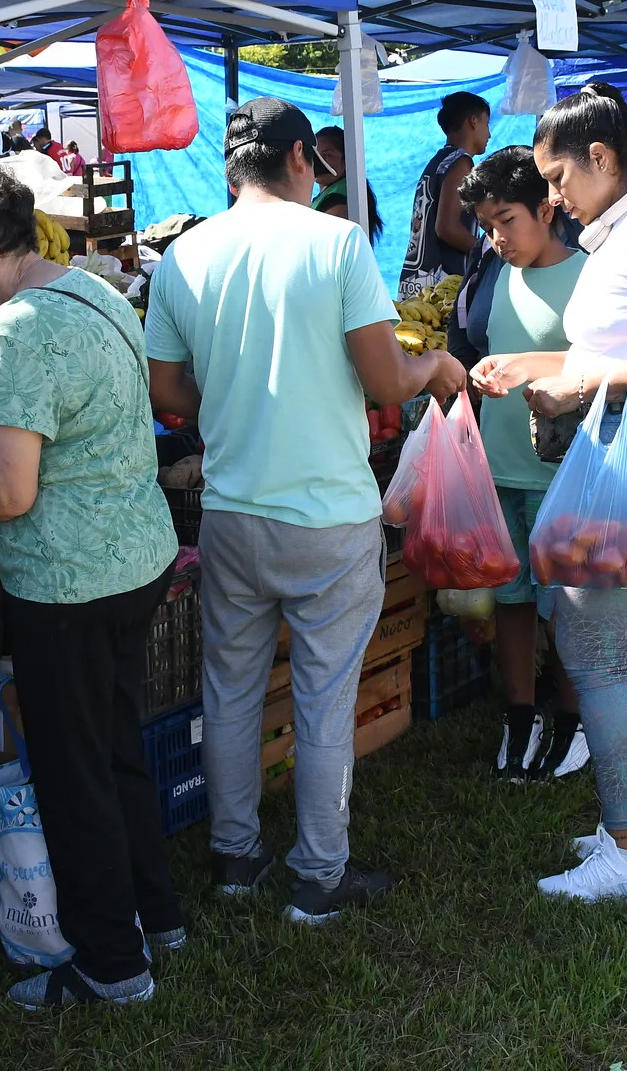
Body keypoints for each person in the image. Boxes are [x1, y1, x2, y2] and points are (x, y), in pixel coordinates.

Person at [145, 98, 465, 924]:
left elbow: (166, 390)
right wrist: (433, 366)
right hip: (326, 515)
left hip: (228, 512)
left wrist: (228, 397)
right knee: (324, 698)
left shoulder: (185, 254)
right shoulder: (336, 242)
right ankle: (320, 875)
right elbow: (385, 378)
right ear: (300, 159)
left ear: (230, 168)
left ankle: (233, 853)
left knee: (230, 688)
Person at [0, 161, 181, 1010]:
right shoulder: (95, 292)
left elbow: (10, 491)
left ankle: (109, 965)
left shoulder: (16, 328)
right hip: (134, 560)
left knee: (71, 771)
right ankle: (155, 914)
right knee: (118, 745)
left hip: (69, 582)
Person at [470, 82, 627, 903]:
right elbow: (626, 345)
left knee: (593, 654)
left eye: (557, 178)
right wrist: (538, 369)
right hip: (626, 464)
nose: (552, 196)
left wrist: (579, 388)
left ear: (602, 158)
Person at [454, 147, 587, 781]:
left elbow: (604, 364)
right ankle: (519, 713)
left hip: (562, 470)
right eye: (486, 226)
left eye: (507, 220)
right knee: (510, 598)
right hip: (500, 464)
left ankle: (574, 715)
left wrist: (528, 367)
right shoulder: (496, 270)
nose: (497, 237)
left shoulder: (589, 274)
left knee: (565, 605)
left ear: (547, 206)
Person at [399, 92, 491, 297]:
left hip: (416, 277)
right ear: (473, 121)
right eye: (487, 123)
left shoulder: (437, 162)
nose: (489, 134)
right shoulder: (461, 163)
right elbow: (447, 228)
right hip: (439, 283)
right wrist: (488, 250)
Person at [310, 125, 384, 244]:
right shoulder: (332, 193)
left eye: (328, 155)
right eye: (315, 155)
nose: (319, 161)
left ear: (346, 161)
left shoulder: (340, 201)